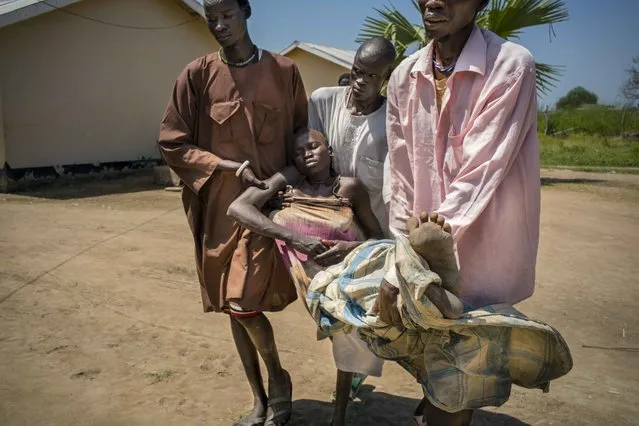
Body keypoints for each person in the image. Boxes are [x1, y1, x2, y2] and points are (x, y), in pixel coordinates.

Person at [229, 130, 571, 426]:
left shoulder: (348, 188)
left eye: (313, 146)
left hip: (362, 258)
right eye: (298, 152)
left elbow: (376, 238)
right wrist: (295, 235)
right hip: (324, 283)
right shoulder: (287, 194)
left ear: (330, 150)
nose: (306, 153)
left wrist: (349, 250)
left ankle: (429, 285)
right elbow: (239, 209)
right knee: (377, 311)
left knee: (392, 267)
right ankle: (432, 289)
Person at [383, 0, 542, 424]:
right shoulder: (404, 76)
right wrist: (396, 264)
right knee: (436, 374)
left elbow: (481, 170)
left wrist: (424, 249)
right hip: (421, 260)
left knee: (458, 389)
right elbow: (399, 179)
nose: (433, 0)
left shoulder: (511, 65)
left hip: (483, 260)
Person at [157, 1, 307, 425]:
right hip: (219, 210)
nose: (219, 25)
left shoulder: (283, 71)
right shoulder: (196, 75)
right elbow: (172, 141)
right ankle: (259, 396)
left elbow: (301, 138)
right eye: (211, 18)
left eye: (227, 14)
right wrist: (222, 166)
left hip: (265, 211)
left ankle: (278, 378)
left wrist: (277, 184)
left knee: (241, 302)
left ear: (246, 11)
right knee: (232, 305)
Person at [307, 36, 396, 425]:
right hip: (330, 235)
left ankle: (339, 413)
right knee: (336, 319)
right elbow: (307, 152)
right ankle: (352, 382)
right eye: (357, 71)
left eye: (370, 76)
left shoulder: (393, 121)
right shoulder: (323, 101)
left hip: (377, 239)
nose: (359, 81)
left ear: (387, 77)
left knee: (359, 324)